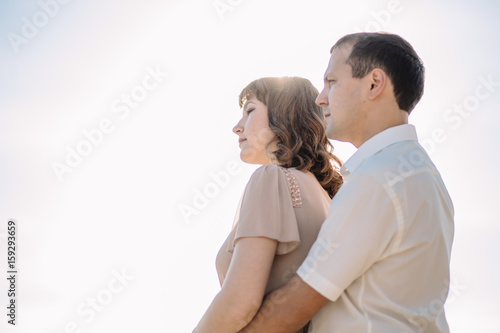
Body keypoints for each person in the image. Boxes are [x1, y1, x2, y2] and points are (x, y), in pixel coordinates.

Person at [240, 33, 455, 332]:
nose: (320, 98)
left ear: (373, 84)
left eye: (332, 82)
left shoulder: (379, 177)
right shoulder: (418, 173)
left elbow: (293, 307)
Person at [193, 76, 343, 333]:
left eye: (250, 110)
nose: (237, 128)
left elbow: (240, 302)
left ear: (285, 114)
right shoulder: (329, 199)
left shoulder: (271, 178)